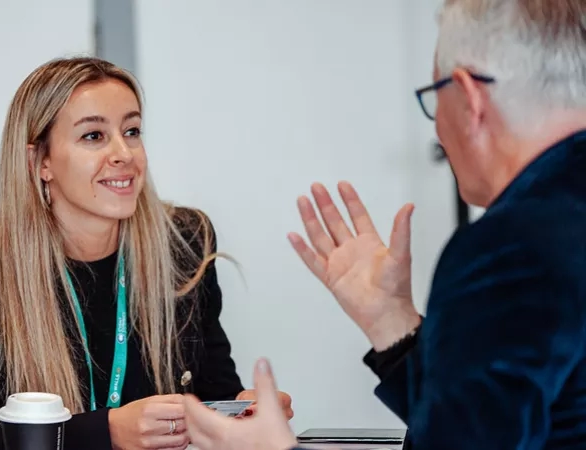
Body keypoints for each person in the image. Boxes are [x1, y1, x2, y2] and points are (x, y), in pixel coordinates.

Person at [183, 0, 586, 448]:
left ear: (469, 97)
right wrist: (392, 326)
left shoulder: (511, 248)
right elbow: (483, 424)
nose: (437, 131)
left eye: (435, 98)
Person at [0, 56, 293, 450]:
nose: (124, 153)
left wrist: (243, 412)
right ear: (39, 161)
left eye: (131, 131)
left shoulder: (183, 242)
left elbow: (212, 392)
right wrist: (106, 432)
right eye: (93, 136)